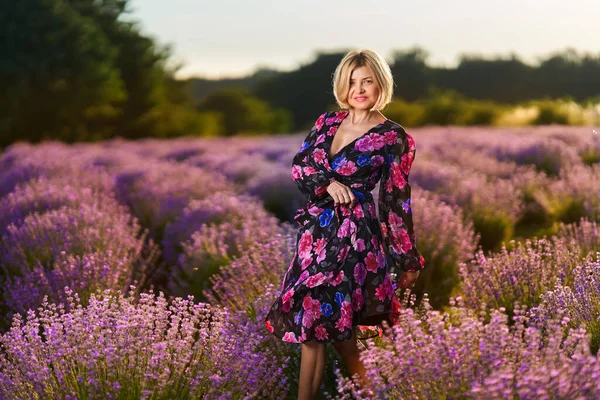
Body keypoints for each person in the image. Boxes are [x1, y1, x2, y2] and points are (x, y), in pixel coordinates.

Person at [264, 49, 425, 399]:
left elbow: (396, 200)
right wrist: (328, 184)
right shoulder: (327, 123)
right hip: (315, 237)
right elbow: (300, 166)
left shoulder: (393, 137)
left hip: (355, 239)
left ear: (380, 83)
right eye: (352, 82)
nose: (359, 89)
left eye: (367, 81)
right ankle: (369, 392)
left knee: (315, 323)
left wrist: (406, 257)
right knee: (336, 331)